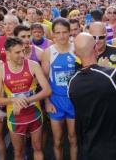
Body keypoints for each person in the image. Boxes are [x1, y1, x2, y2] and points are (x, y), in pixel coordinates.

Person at [68, 32, 116, 160]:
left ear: (76, 53)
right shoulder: (112, 74)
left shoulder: (71, 82)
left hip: (90, 148)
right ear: (95, 48)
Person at [0, 37, 51, 160]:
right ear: (8, 53)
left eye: (23, 51)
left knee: (38, 148)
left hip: (34, 114)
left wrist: (26, 100)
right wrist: (14, 100)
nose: (22, 55)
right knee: (18, 152)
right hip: (15, 118)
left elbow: (47, 90)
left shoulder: (33, 65)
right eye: (17, 52)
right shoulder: (1, 69)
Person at [41, 18, 77, 160]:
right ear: (53, 34)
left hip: (73, 100)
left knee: (73, 138)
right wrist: (47, 102)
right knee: (57, 139)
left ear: (69, 33)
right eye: (58, 33)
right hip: (56, 100)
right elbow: (44, 80)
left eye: (65, 32)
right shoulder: (48, 52)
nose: (61, 36)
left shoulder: (76, 49)